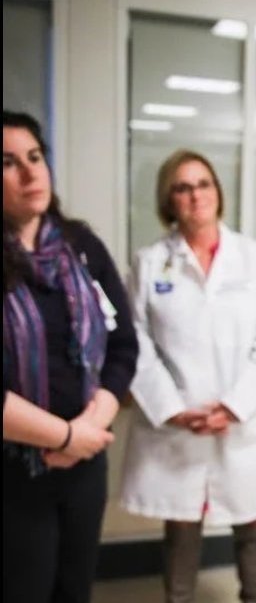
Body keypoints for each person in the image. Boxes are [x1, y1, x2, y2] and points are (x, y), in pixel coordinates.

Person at [119, 149, 256, 603]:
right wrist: (172, 409)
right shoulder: (150, 262)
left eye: (204, 184)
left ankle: (254, 598)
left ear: (218, 193)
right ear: (168, 200)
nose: (195, 196)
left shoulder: (253, 258)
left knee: (253, 520)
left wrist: (235, 406)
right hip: (180, 419)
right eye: (183, 187)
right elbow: (134, 343)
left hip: (241, 418)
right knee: (181, 524)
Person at [2, 110, 138, 603]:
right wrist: (63, 436)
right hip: (14, 472)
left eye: (35, 157)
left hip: (84, 464)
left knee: (74, 590)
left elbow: (124, 345)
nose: (29, 172)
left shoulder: (81, 247)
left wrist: (89, 428)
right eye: (7, 162)